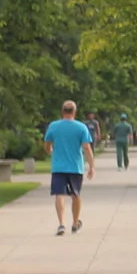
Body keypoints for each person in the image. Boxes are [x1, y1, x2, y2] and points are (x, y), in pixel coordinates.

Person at [45, 101, 94, 236]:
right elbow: (86, 147)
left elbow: (47, 145)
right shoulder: (81, 127)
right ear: (74, 112)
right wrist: (91, 166)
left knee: (59, 194)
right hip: (75, 167)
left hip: (58, 167)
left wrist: (50, 151)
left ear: (62, 111)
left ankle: (61, 224)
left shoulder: (53, 126)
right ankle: (75, 222)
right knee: (75, 194)